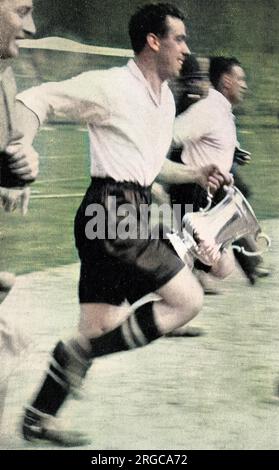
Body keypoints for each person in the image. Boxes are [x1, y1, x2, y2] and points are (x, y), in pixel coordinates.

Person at [15, 3, 232, 446]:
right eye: (180, 39)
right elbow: (35, 98)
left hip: (122, 210)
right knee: (187, 299)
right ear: (154, 41)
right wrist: (21, 147)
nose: (186, 51)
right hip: (112, 211)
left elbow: (149, 170)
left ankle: (38, 416)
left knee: (97, 328)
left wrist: (195, 172)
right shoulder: (110, 86)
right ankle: (79, 357)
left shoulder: (166, 99)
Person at [162, 56, 268, 285]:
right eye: (240, 79)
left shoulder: (222, 112)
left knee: (222, 267)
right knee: (212, 263)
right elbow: (169, 135)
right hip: (194, 191)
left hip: (210, 192)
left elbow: (212, 143)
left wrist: (232, 155)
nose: (245, 85)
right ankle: (160, 248)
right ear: (226, 81)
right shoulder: (208, 110)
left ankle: (175, 254)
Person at [0, 0, 38, 425]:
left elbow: (10, 151)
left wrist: (20, 169)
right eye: (22, 11)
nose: (31, 27)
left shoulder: (5, 79)